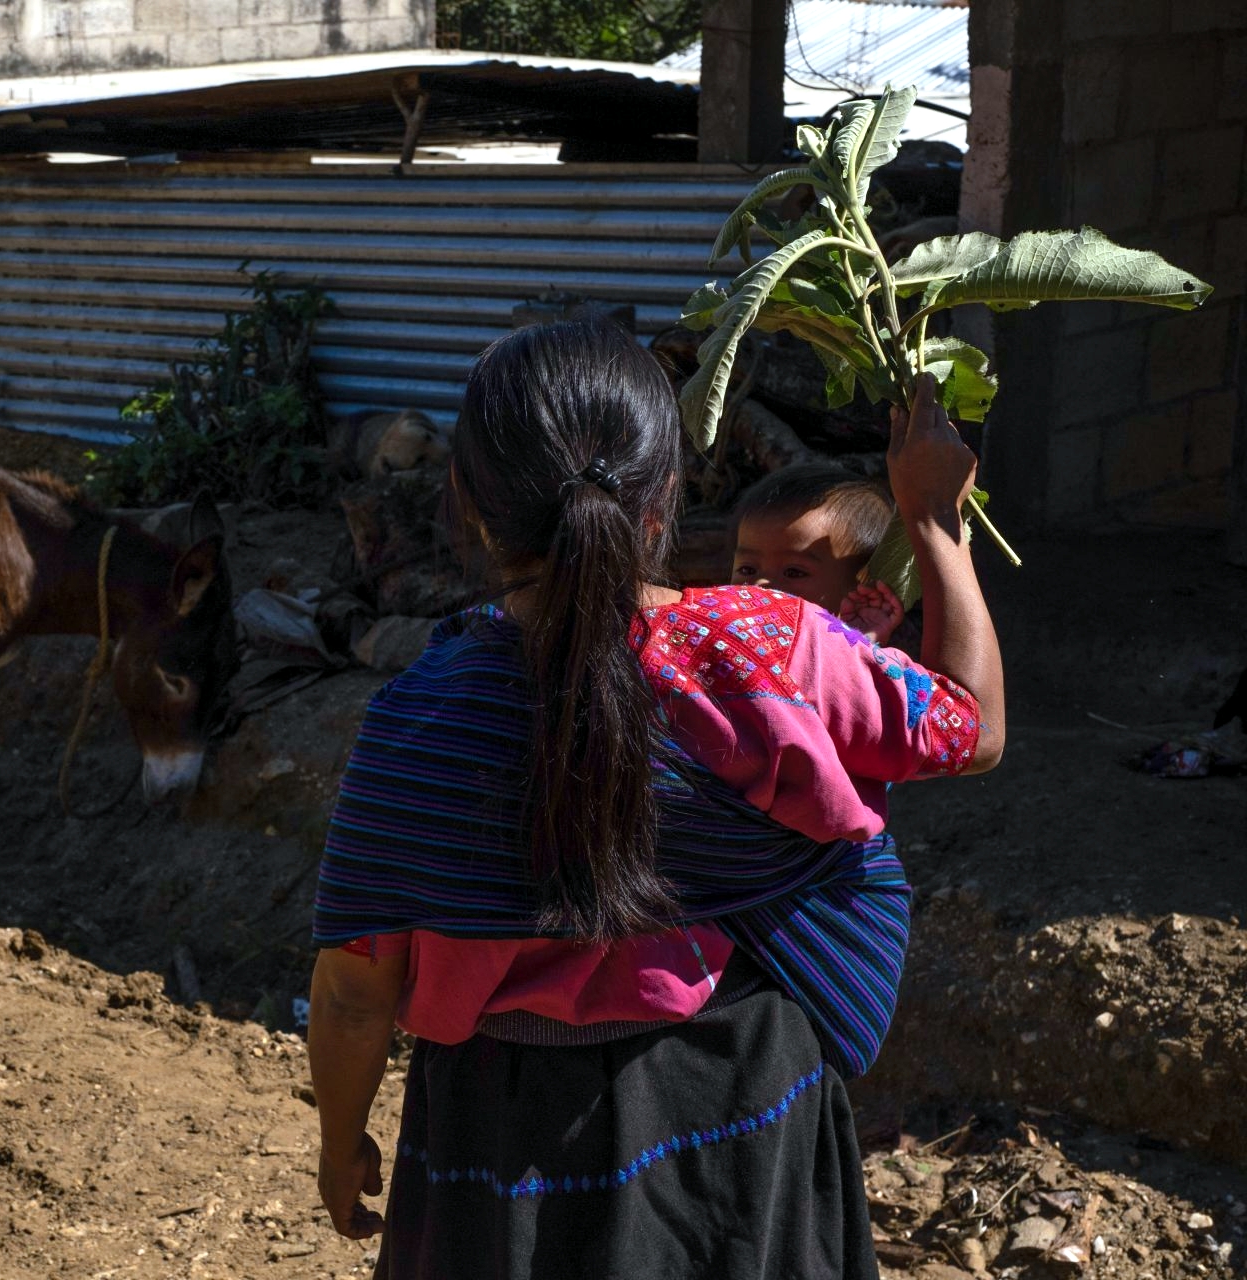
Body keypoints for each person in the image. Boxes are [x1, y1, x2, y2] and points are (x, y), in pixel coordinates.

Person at [306, 319, 1004, 1279]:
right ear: (665, 495)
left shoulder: (419, 720)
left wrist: (340, 1148)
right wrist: (932, 521)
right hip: (741, 1105)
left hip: (497, 1125)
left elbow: (353, 992)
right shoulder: (778, 647)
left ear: (467, 502)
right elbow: (971, 728)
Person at [729, 461, 912, 646]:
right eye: (747, 570)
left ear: (862, 594)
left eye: (793, 572)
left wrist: (858, 642)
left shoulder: (851, 658)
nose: (760, 585)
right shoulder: (721, 637)